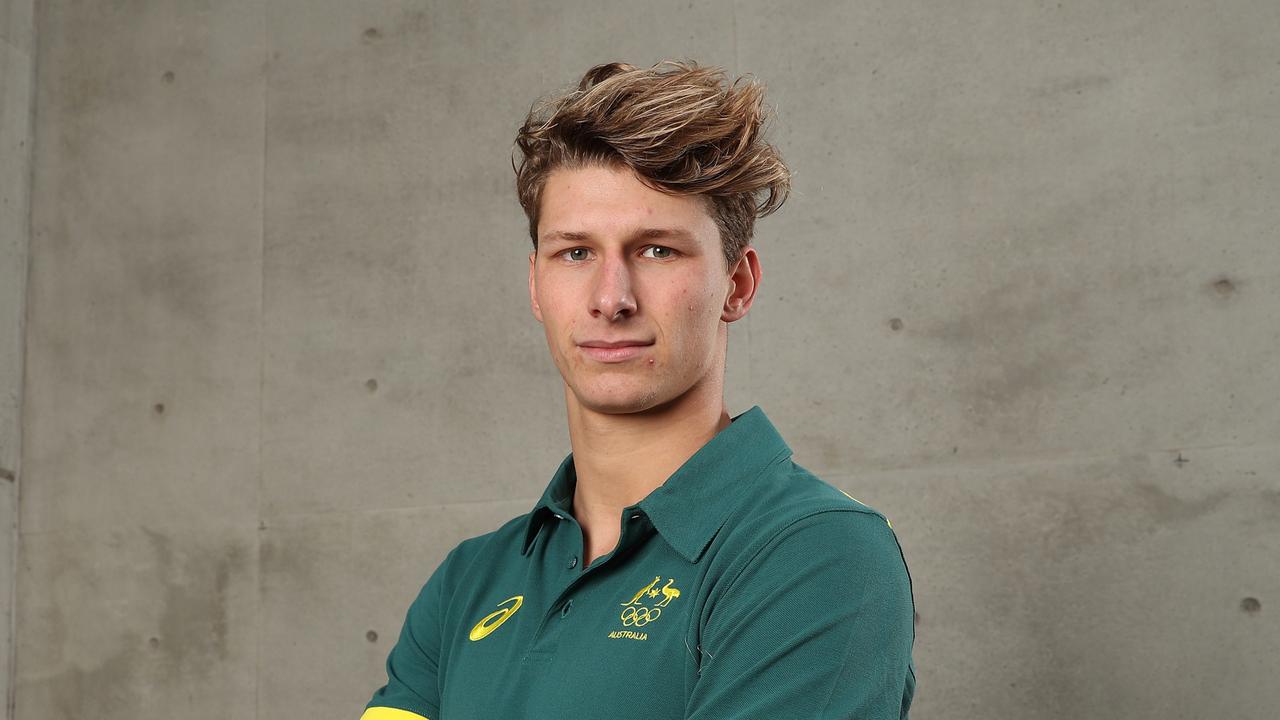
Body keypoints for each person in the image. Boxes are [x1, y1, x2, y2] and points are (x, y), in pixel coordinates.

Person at [361, 59, 916, 720]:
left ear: (736, 285)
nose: (610, 298)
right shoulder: (467, 584)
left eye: (657, 250)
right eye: (575, 252)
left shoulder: (817, 553)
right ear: (536, 284)